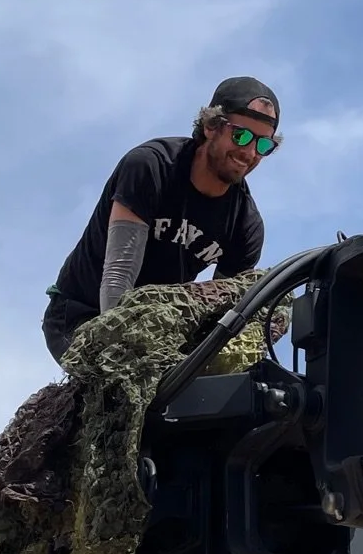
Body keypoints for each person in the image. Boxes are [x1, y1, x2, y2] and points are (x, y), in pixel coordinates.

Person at [43, 77, 281, 364]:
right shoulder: (151, 167)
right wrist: (122, 354)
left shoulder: (246, 225)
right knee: (116, 390)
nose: (249, 152)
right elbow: (119, 273)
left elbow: (227, 308)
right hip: (82, 313)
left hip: (157, 330)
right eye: (241, 136)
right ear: (210, 126)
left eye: (263, 144)